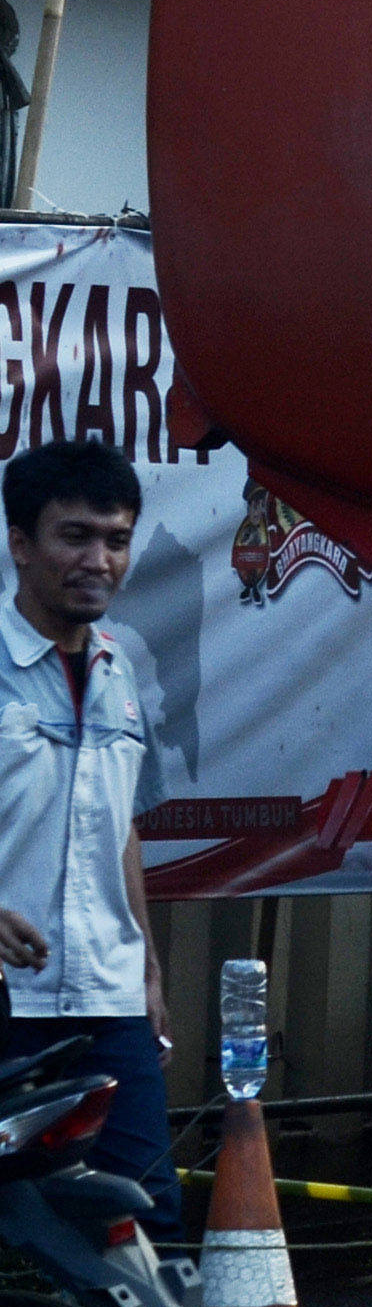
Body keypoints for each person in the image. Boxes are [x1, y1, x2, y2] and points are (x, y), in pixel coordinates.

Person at [0, 439, 173, 1223]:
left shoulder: (118, 665)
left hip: (110, 997)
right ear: (21, 544)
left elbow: (121, 825)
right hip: (9, 1001)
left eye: (116, 539)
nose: (98, 559)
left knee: (145, 1218)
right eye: (75, 536)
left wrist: (149, 964)